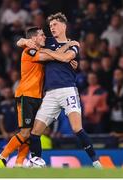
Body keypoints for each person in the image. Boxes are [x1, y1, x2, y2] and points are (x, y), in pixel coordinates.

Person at [19, 12, 102, 168]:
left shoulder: (74, 43)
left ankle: (97, 163)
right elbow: (21, 43)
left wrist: (48, 52)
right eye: (50, 26)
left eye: (55, 24)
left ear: (64, 25)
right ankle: (36, 162)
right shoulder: (47, 41)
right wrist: (25, 41)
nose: (52, 28)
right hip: (50, 93)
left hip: (68, 90)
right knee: (35, 132)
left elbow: (65, 58)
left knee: (77, 128)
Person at [0, 26, 79, 167]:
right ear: (33, 38)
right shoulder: (30, 50)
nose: (44, 37)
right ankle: (1, 158)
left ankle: (19, 164)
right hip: (26, 95)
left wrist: (68, 62)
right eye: (41, 35)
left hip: (37, 97)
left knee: (31, 133)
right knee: (26, 132)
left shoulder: (38, 51)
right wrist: (68, 46)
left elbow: (53, 57)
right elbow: (51, 55)